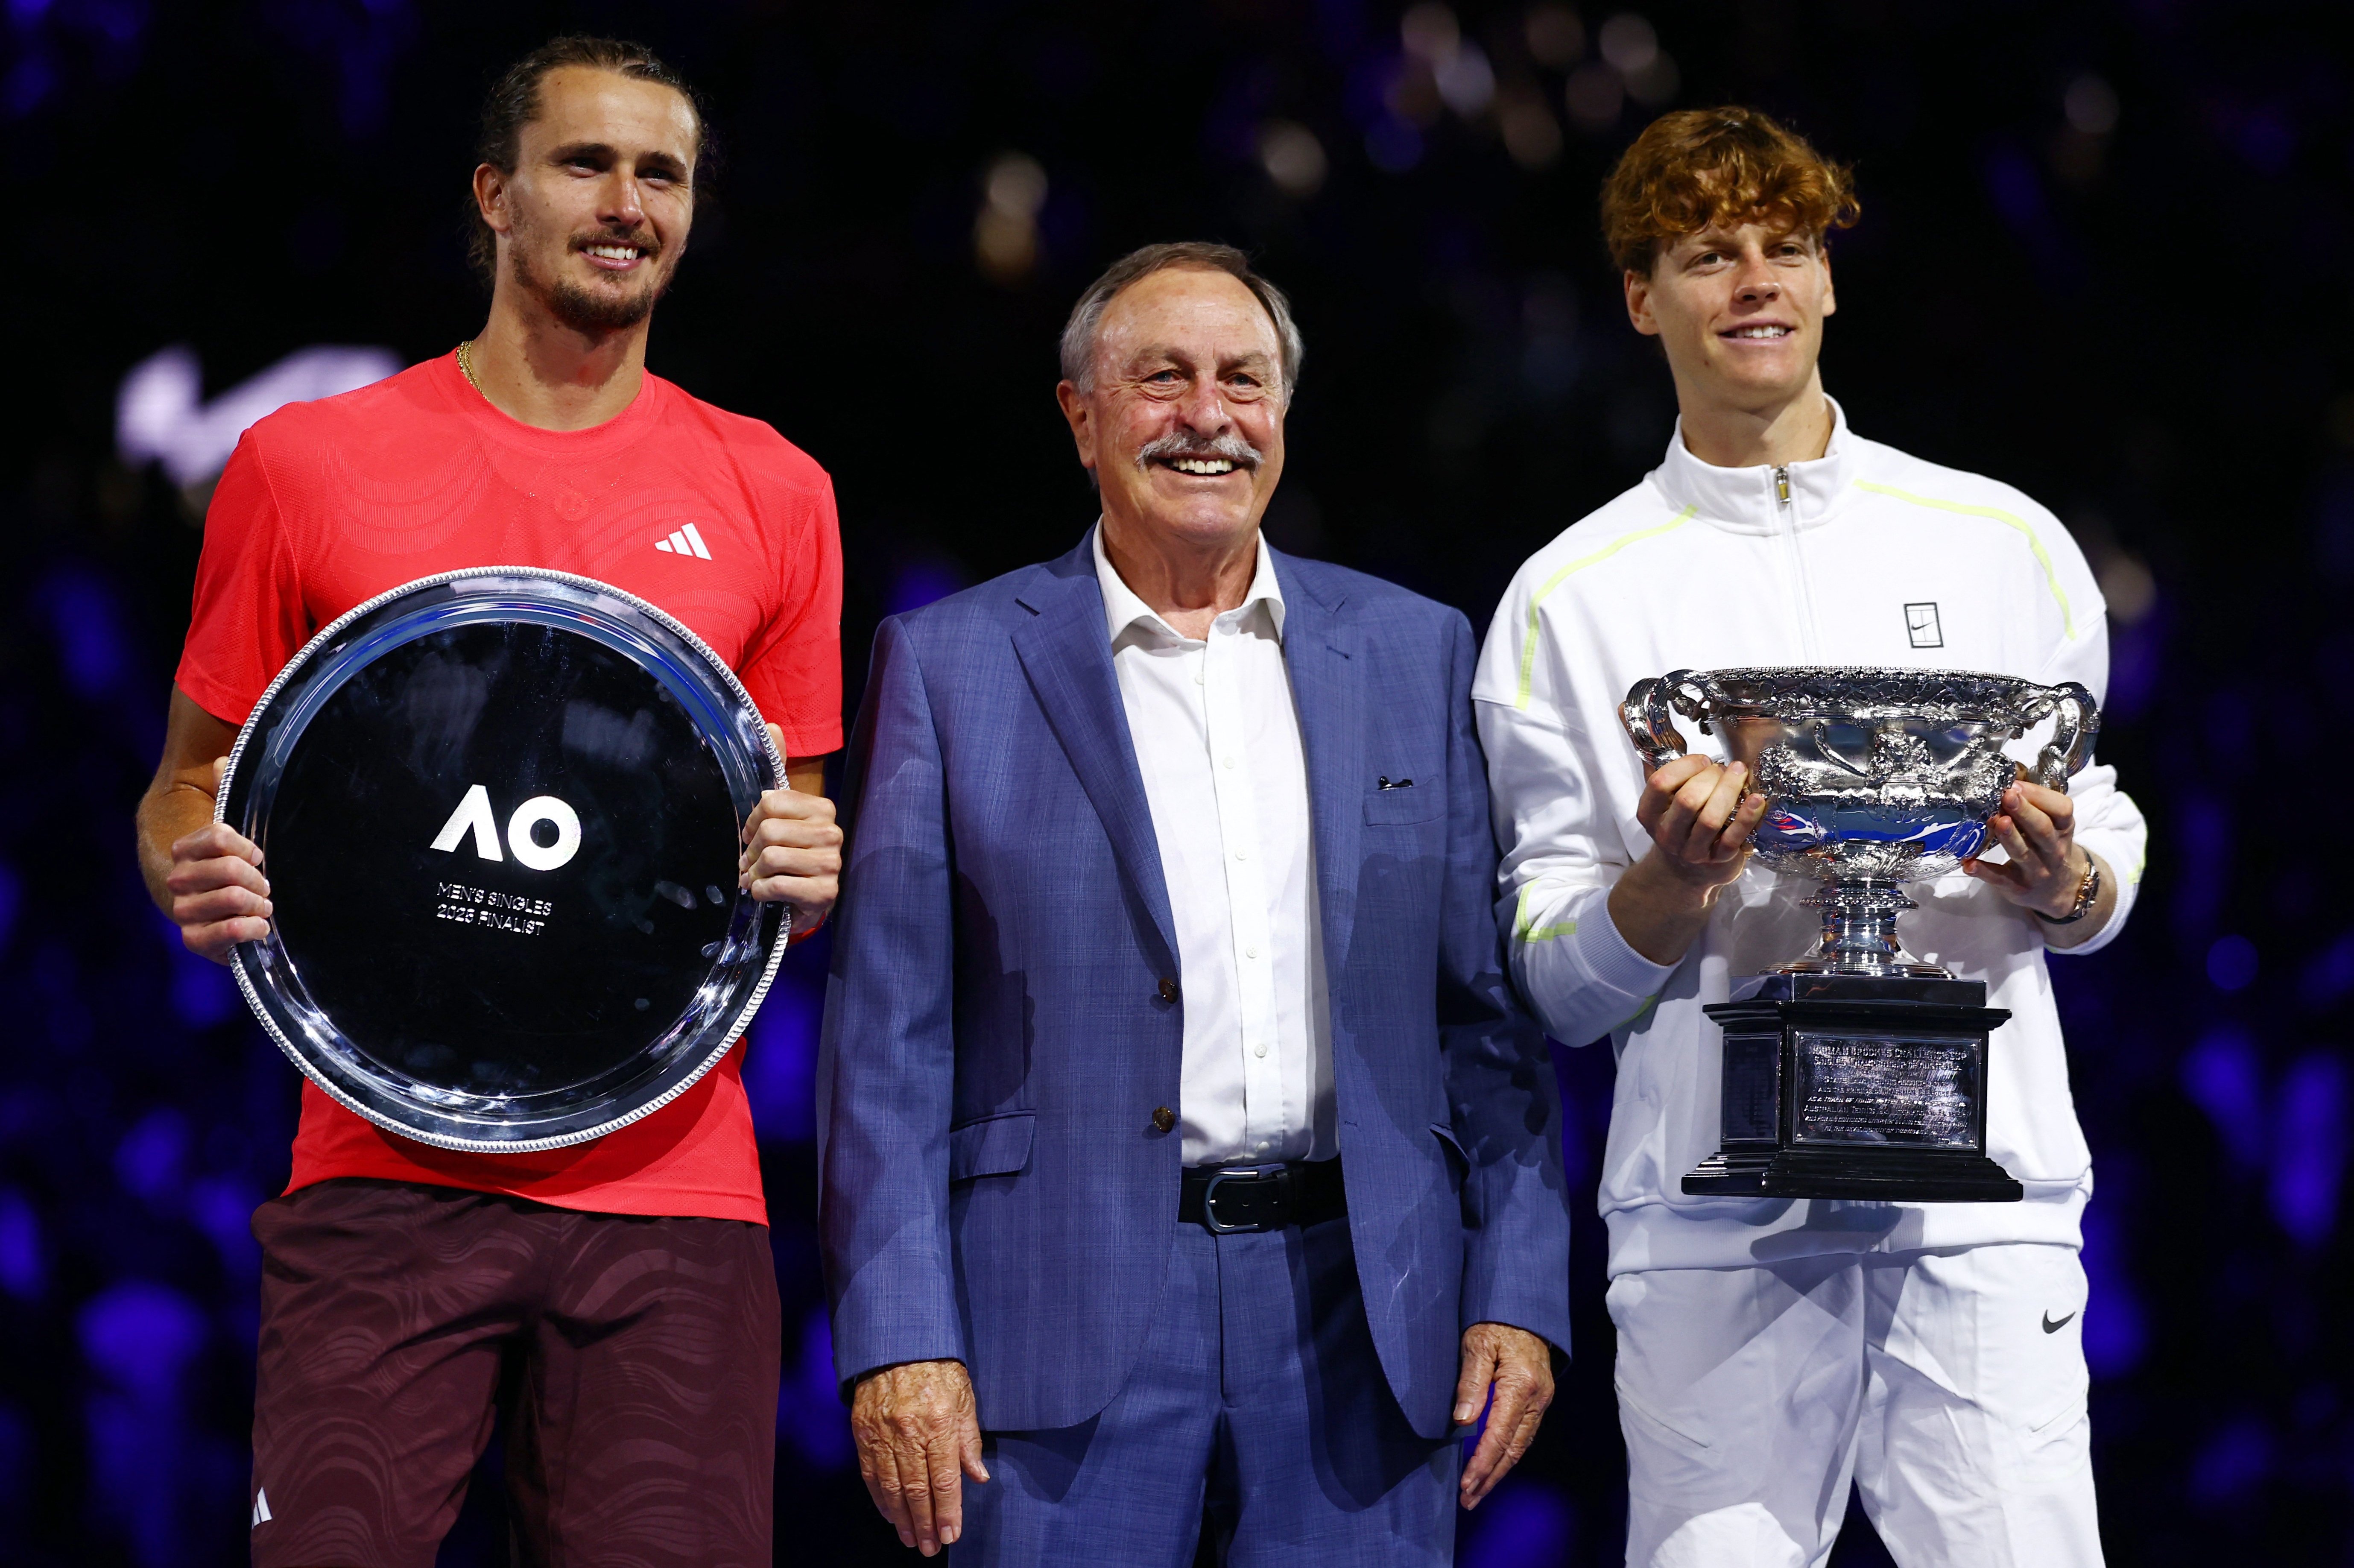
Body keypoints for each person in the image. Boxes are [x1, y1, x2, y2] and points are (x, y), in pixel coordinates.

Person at [132, 36, 844, 1565]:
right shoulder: (305, 463)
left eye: (663, 174)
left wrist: (811, 847)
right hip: (381, 1176)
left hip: (674, 1202)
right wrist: (191, 860)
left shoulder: (775, 490)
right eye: (586, 163)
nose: (627, 202)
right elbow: (190, 778)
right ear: (497, 197)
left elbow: (785, 827)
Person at [818, 242, 1570, 1564]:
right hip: (1048, 1316)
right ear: (1081, 413)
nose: (1208, 417)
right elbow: (885, 1047)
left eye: (1243, 380)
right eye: (1160, 378)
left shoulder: (1414, 649)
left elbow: (1482, 1021)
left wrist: (1515, 1290)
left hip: (1366, 1315)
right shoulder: (949, 666)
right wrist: (900, 1337)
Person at [1475, 108, 2143, 1567]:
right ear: (1642, 298)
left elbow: (2100, 842)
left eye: (1787, 246)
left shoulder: (2000, 543)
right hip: (1711, 1231)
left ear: (1831, 280)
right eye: (1708, 253)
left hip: (1988, 1210)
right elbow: (1556, 981)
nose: (1756, 281)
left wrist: (2069, 879)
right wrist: (1669, 883)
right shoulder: (1569, 598)